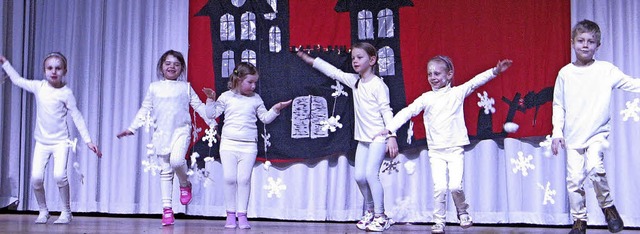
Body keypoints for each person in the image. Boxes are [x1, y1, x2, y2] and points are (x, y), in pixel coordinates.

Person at [377, 55, 512, 233]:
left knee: (455, 185)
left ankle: (462, 211)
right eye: (430, 74)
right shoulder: (426, 98)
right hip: (436, 151)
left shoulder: (456, 93)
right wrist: (390, 128)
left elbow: (475, 82)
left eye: (437, 73)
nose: (433, 77)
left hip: (455, 148)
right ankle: (439, 221)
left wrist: (494, 71)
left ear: (449, 75)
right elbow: (408, 112)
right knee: (439, 188)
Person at [296, 42, 399, 232]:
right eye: (353, 58)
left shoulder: (378, 85)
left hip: (377, 137)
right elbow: (334, 72)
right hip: (363, 139)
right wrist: (310, 60)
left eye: (360, 57)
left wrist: (391, 135)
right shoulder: (356, 81)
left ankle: (381, 216)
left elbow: (386, 111)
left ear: (372, 60)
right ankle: (370, 211)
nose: (355, 61)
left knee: (370, 175)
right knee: (360, 177)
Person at [551, 19, 637, 234]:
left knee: (595, 169)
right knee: (574, 180)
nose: (585, 45)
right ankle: (579, 221)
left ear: (598, 45)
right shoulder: (565, 73)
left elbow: (631, 83)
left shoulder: (606, 70)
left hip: (597, 134)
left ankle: (608, 207)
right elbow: (558, 105)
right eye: (581, 40)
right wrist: (556, 132)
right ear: (573, 43)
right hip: (573, 135)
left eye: (591, 41)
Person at [0, 53, 102, 224]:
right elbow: (18, 80)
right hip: (42, 142)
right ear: (44, 70)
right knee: (36, 178)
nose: (54, 71)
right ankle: (43, 210)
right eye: (50, 68)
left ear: (65, 71)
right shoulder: (39, 87)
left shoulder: (66, 93)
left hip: (61, 141)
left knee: (59, 175)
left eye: (58, 68)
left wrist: (88, 140)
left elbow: (77, 116)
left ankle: (66, 212)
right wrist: (5, 63)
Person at [117, 50, 216, 226]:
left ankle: (185, 184)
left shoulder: (185, 87)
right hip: (161, 134)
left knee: (177, 161)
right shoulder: (154, 87)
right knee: (165, 171)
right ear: (162, 67)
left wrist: (212, 123)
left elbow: (199, 106)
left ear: (181, 68)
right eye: (168, 63)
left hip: (181, 131)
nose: (172, 67)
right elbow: (145, 109)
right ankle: (167, 209)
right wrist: (132, 128)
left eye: (176, 64)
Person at [202, 62, 292, 229]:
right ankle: (230, 214)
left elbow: (265, 118)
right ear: (238, 79)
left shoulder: (256, 99)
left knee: (243, 179)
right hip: (228, 144)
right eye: (250, 82)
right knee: (229, 178)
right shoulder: (226, 97)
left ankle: (242, 214)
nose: (253, 85)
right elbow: (211, 114)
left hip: (249, 145)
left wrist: (276, 109)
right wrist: (210, 100)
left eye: (255, 82)